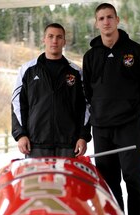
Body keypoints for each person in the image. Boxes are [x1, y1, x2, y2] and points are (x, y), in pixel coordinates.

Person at [83, 3, 140, 215]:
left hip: (128, 128)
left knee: (133, 178)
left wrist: (132, 112)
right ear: (96, 23)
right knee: (109, 181)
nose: (105, 22)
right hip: (102, 130)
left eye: (109, 17)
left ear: (118, 20)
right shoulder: (90, 56)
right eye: (101, 18)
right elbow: (87, 92)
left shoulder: (135, 52)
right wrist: (98, 114)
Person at [12, 23, 91, 158]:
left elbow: (85, 106)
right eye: (51, 36)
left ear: (64, 42)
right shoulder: (27, 70)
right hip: (36, 143)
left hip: (68, 144)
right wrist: (21, 134)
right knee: (37, 180)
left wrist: (83, 136)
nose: (54, 41)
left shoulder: (76, 72)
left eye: (59, 37)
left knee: (67, 180)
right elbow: (18, 104)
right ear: (44, 39)